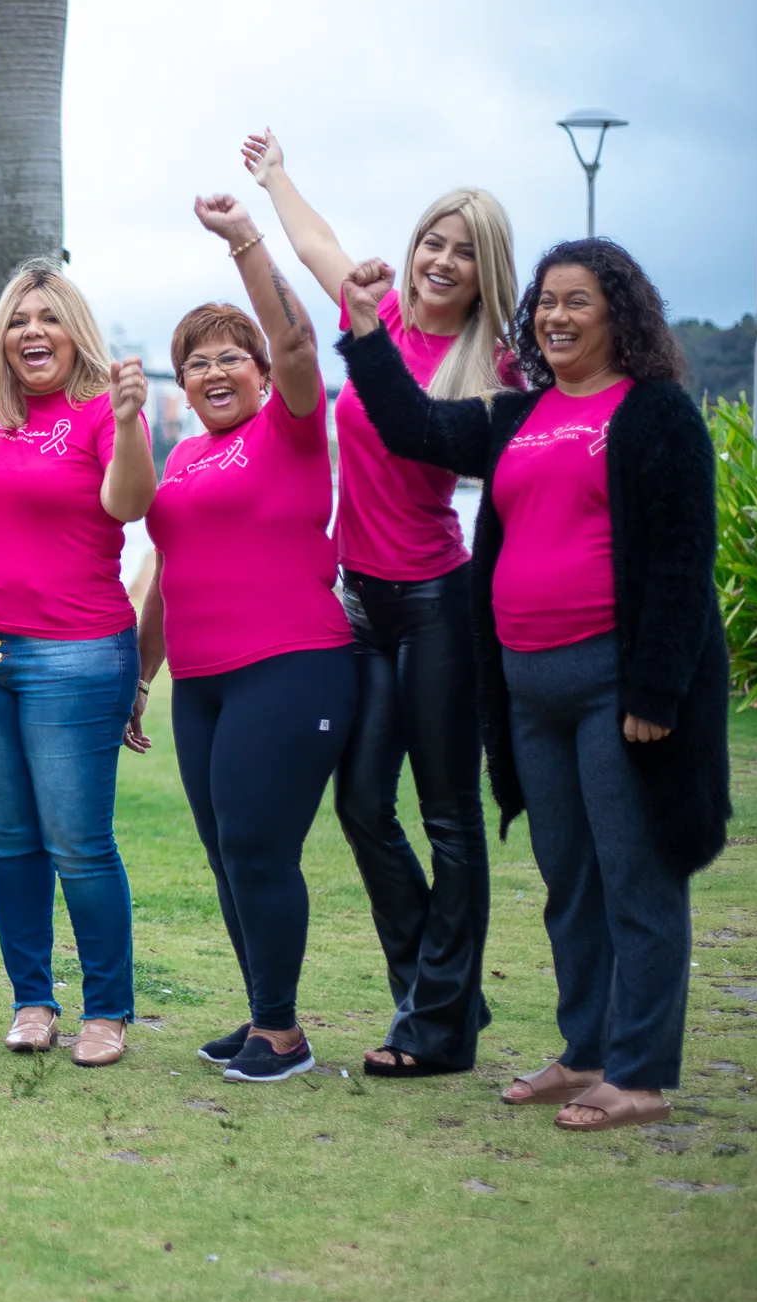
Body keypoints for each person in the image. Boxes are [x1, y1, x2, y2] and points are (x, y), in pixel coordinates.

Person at [340, 240, 730, 1131]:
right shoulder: (518, 414)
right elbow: (415, 428)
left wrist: (655, 694)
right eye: (546, 303)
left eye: (578, 302)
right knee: (568, 878)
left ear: (619, 315)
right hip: (527, 685)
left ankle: (637, 1073)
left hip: (612, 683)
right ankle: (584, 1049)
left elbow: (680, 559)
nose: (555, 317)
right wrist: (365, 328)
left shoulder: (654, 412)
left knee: (637, 876)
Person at [245, 129, 514, 1078]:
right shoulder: (383, 312)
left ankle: (436, 1025)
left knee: (448, 816)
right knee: (361, 803)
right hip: (361, 604)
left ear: (489, 275)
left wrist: (361, 328)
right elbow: (318, 244)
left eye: (465, 251)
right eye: (434, 241)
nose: (442, 261)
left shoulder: (492, 372)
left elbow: (422, 430)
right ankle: (441, 988)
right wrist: (276, 178)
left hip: (437, 602)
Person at [137, 194, 355, 1084]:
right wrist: (138, 675)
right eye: (197, 361)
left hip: (291, 667)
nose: (214, 370)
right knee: (230, 851)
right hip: (203, 682)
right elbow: (162, 572)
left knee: (262, 847)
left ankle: (284, 1033)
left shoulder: (290, 428)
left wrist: (245, 245)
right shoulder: (183, 460)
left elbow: (301, 342)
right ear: (180, 384)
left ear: (263, 373)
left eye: (232, 356)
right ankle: (267, 1010)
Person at [0, 264, 157, 1066]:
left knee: (78, 842)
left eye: (49, 318)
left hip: (75, 655)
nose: (32, 332)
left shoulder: (104, 409)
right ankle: (32, 999)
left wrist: (134, 420)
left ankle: (107, 1009)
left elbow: (130, 503)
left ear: (78, 331)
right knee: (10, 841)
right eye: (17, 321)